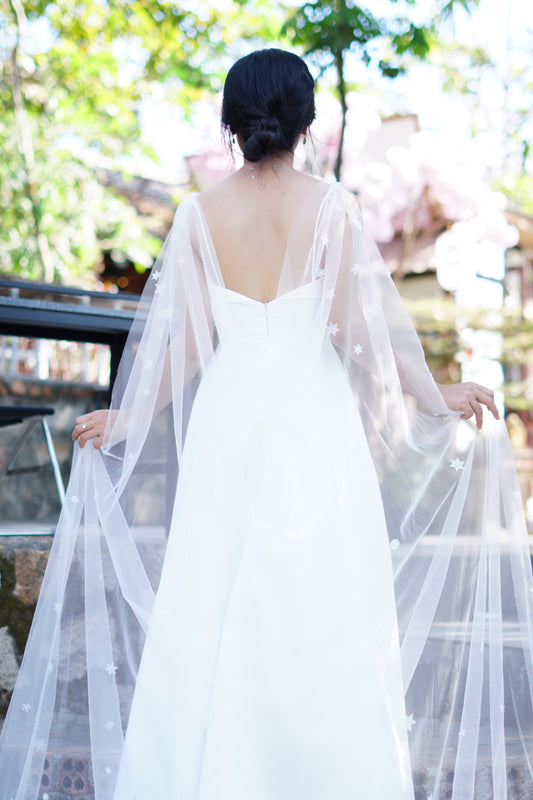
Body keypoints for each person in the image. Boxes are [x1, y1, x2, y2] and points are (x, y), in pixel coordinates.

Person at [1, 48, 532, 800]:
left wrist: (128, 417)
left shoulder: (197, 213)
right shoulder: (328, 206)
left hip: (226, 418)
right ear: (303, 123)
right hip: (310, 422)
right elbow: (360, 332)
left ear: (234, 122)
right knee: (320, 596)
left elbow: (183, 342)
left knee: (209, 593)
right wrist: (430, 393)